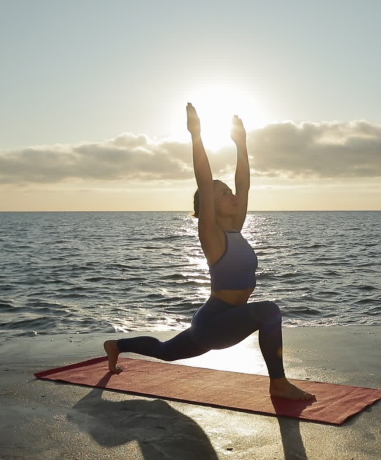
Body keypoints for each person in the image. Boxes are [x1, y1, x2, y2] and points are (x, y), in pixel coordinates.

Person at [103, 103, 315, 401]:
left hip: (223, 320)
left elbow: (244, 183)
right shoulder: (211, 234)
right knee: (269, 310)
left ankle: (117, 345)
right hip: (214, 323)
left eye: (230, 192)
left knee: (166, 351)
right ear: (209, 206)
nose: (233, 196)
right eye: (223, 193)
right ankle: (278, 384)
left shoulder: (235, 228)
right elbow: (204, 179)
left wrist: (241, 144)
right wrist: (196, 135)